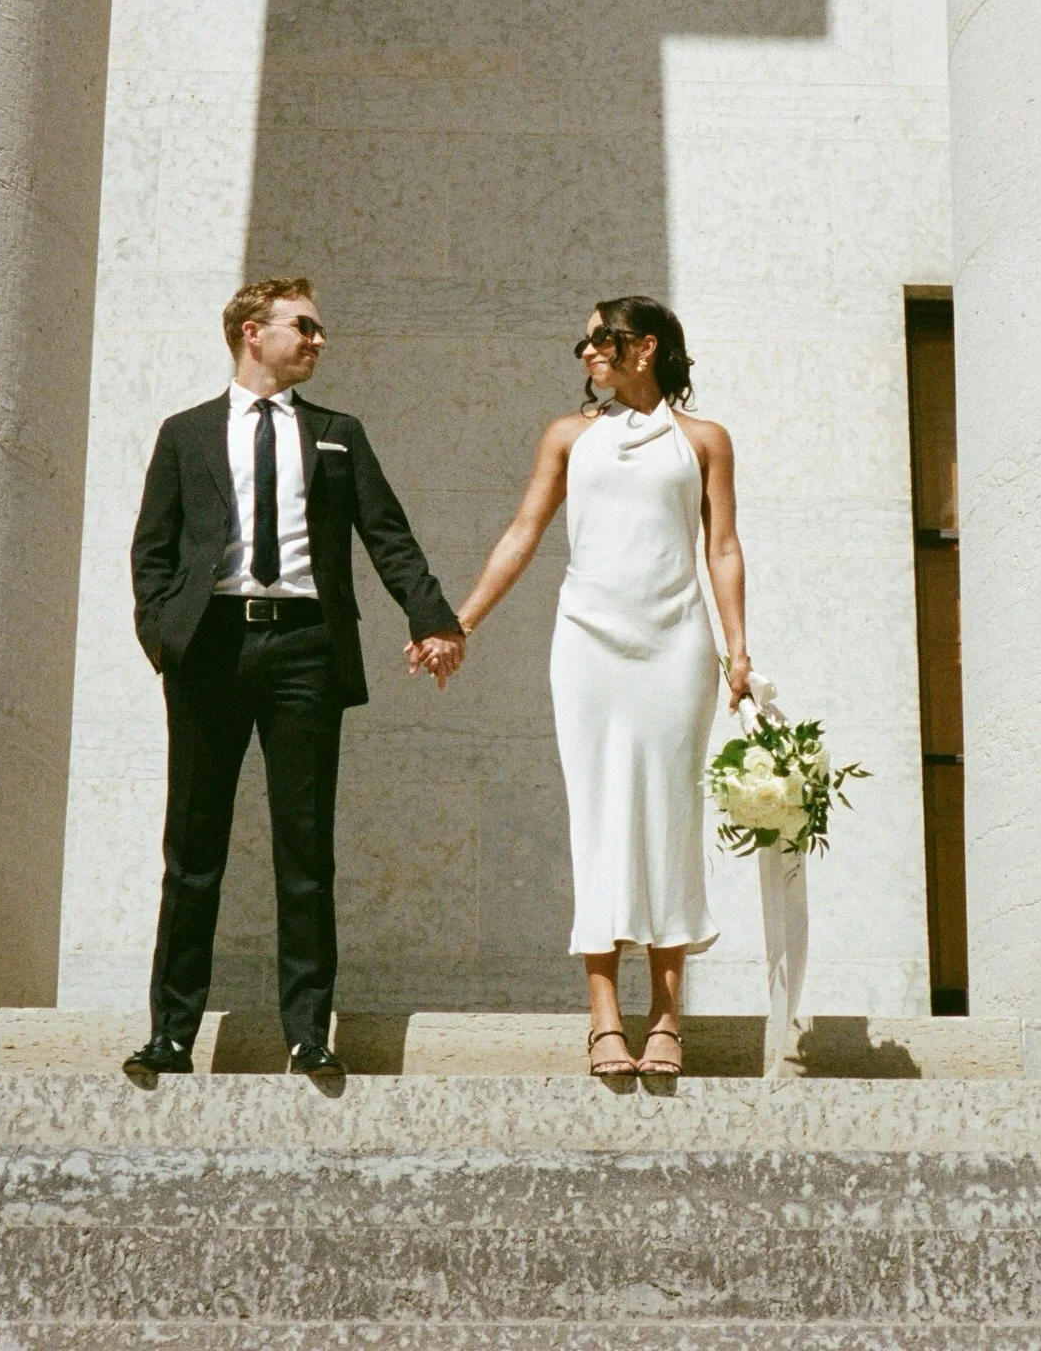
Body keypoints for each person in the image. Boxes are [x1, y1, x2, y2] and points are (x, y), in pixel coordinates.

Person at [123, 278, 465, 1086]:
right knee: (193, 848)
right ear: (253, 332)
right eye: (303, 326)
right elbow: (154, 550)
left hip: (307, 650)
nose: (318, 341)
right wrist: (163, 634)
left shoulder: (338, 434)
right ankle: (171, 1035)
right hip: (210, 649)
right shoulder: (186, 434)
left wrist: (433, 618)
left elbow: (390, 536)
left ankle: (309, 1033)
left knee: (305, 851)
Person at [430, 296, 752, 1077]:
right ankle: (604, 1017)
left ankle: (668, 1017)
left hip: (676, 647)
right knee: (599, 820)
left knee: (671, 817)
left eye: (598, 341)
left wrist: (738, 649)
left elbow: (723, 547)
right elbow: (523, 533)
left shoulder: (704, 439)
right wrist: (459, 623)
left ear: (642, 348)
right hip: (588, 648)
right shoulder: (570, 436)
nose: (585, 354)